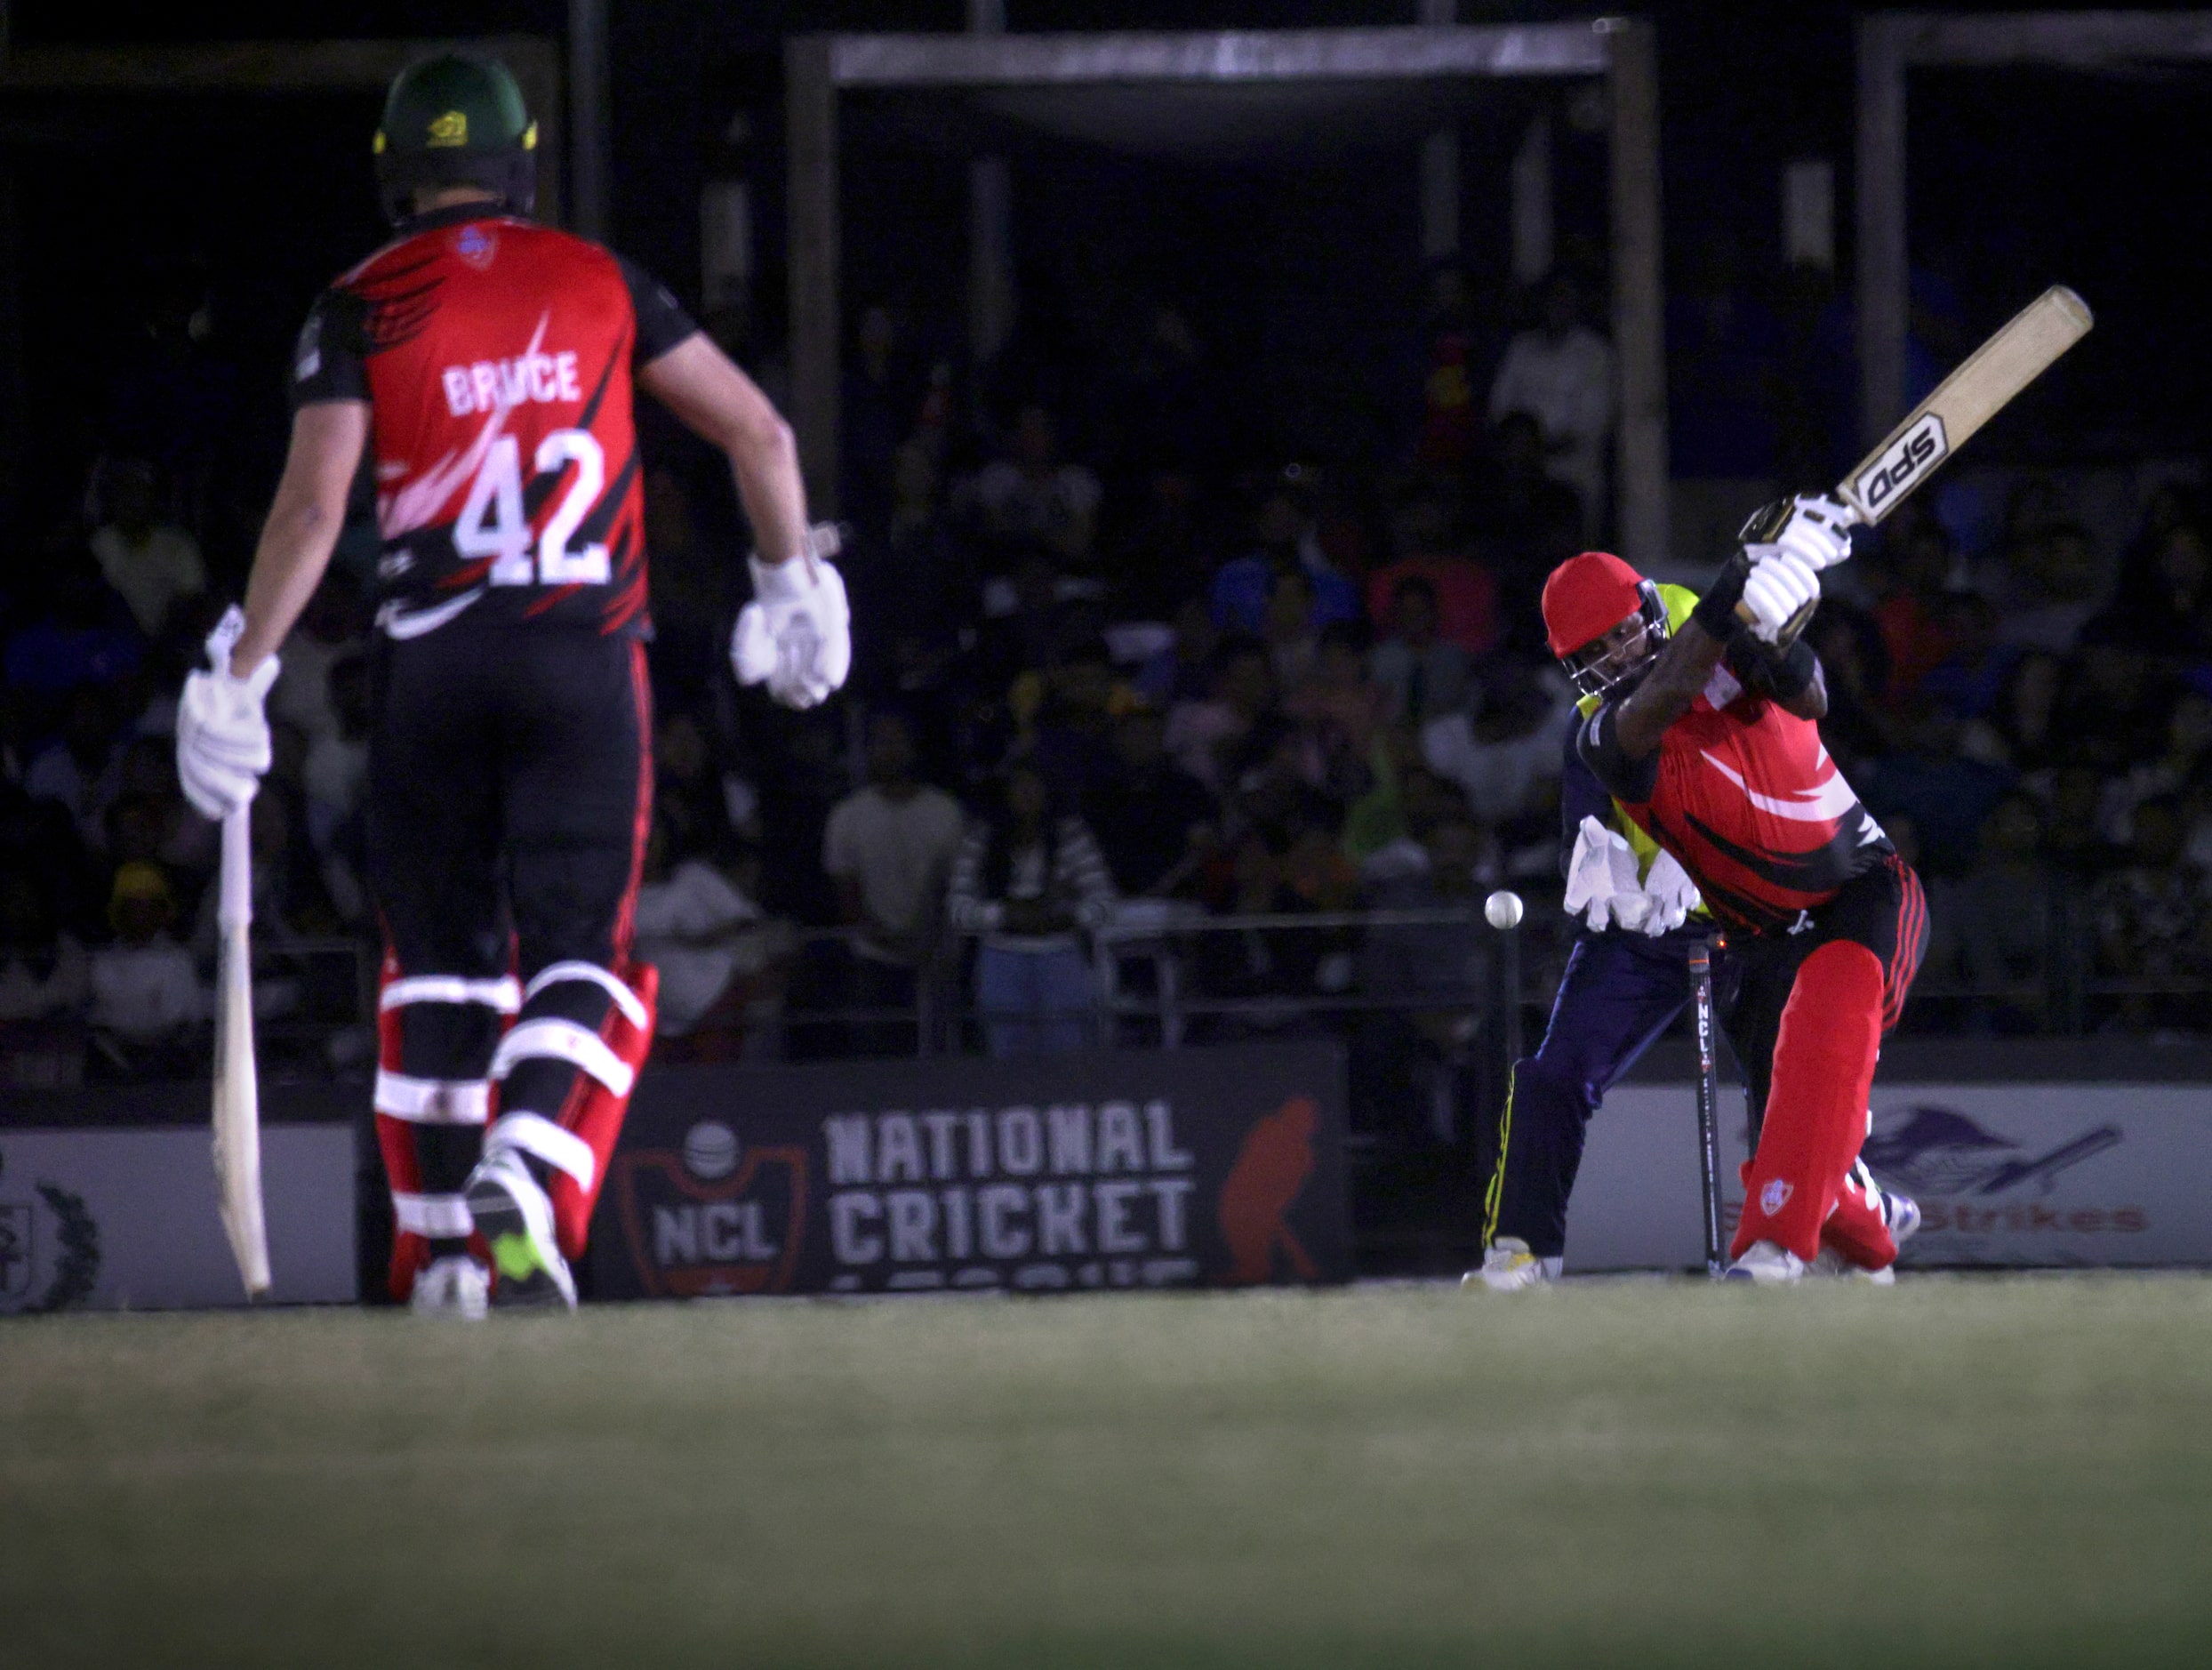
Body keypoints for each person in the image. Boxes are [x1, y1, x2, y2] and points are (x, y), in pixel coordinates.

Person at [172, 53, 846, 1318]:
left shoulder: (359, 302)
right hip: (584, 659)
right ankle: (532, 1165)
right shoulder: (600, 281)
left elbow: (314, 508)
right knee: (582, 951)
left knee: (435, 969)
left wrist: (240, 669)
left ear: (395, 175)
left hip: (429, 666)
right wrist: (789, 578)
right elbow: (762, 433)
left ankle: (440, 1267)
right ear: (520, 163)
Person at [1547, 505, 1930, 1283]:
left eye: (1625, 630)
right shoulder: (1604, 738)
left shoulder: (1733, 651)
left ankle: (1774, 1248)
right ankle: (1869, 1218)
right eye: (1596, 652)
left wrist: (1778, 622)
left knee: (1832, 1001)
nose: (1619, 655)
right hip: (1754, 940)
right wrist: (1736, 579)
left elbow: (1813, 696)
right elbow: (1669, 688)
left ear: (1653, 611)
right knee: (1793, 1123)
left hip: (1860, 888)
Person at [946, 764, 1116, 1056]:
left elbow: (1103, 903)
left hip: (1061, 958)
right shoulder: (981, 839)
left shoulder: (1071, 836)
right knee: (1007, 1055)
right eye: (1018, 787)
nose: (1026, 795)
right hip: (1001, 959)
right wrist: (1004, 915)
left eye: (1034, 787)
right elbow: (957, 909)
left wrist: (1064, 916)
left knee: (1068, 1053)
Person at [821, 710, 966, 1054]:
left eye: (898, 741)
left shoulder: (945, 811)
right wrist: (887, 938)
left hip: (935, 959)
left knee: (939, 1057)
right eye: (883, 742)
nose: (891, 751)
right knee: (877, 1061)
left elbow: (954, 888)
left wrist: (927, 939)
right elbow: (846, 895)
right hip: (872, 960)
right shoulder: (848, 816)